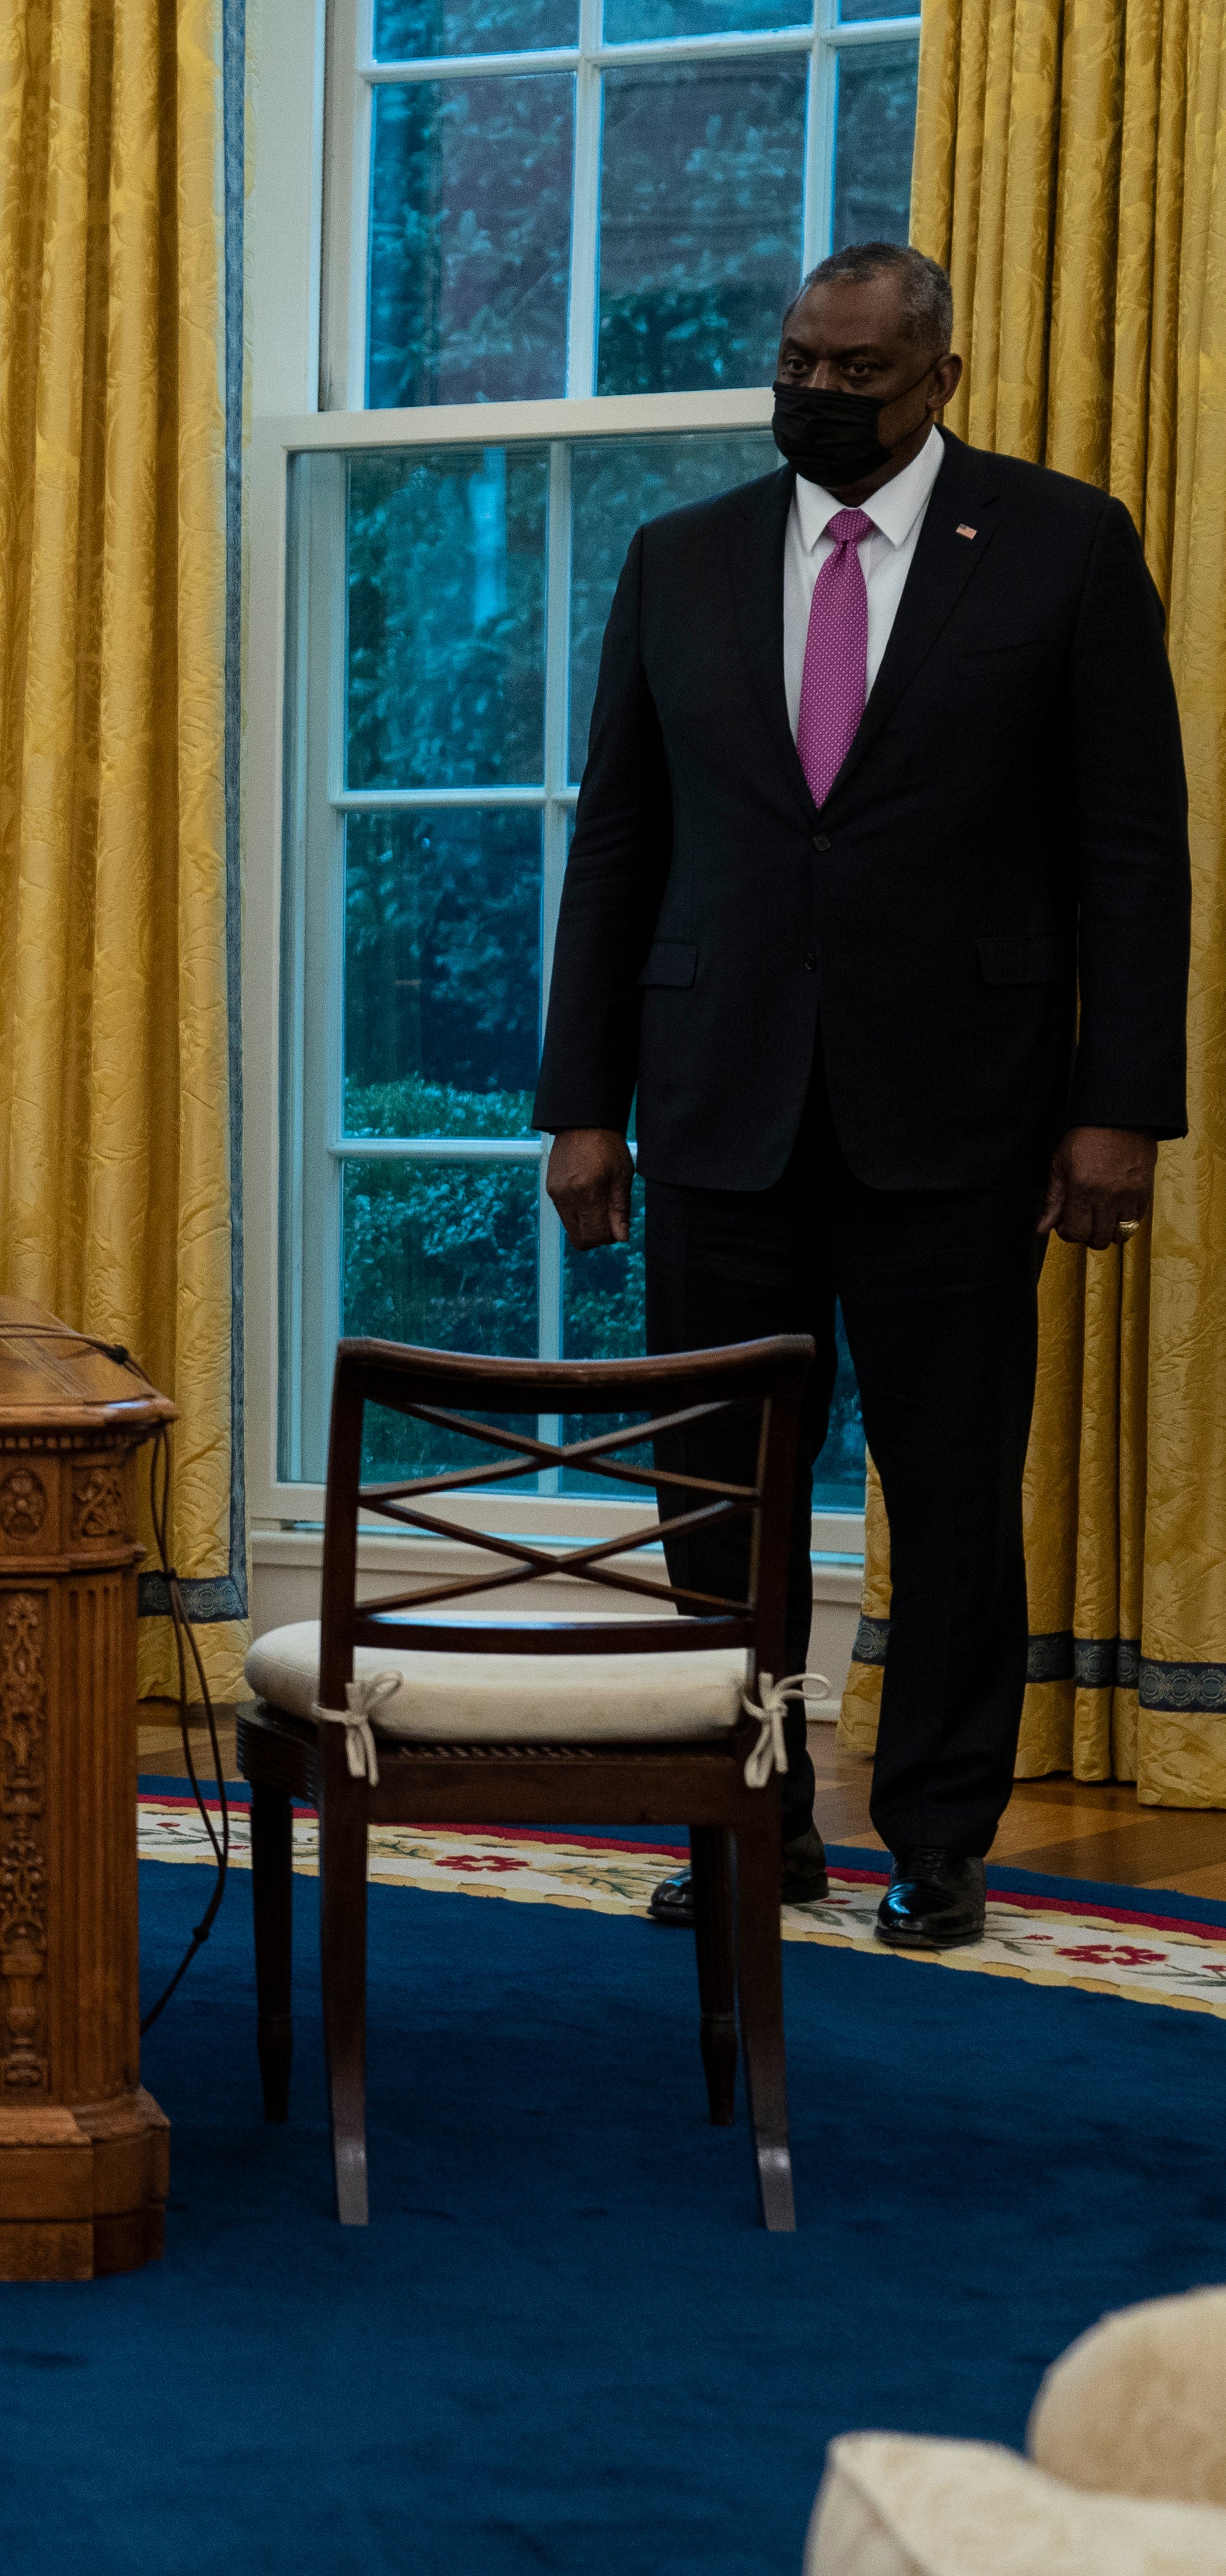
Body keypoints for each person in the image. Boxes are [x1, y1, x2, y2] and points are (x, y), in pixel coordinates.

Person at [534, 243, 1190, 1952]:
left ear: (937, 382)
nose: (815, 394)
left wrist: (1117, 1104)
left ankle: (939, 1837)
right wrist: (579, 1100)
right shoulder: (677, 560)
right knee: (714, 1491)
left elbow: (1131, 852)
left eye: (856, 373)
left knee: (954, 1480)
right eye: (797, 363)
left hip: (961, 1113)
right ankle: (745, 1819)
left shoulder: (1059, 545)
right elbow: (617, 844)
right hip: (717, 1103)